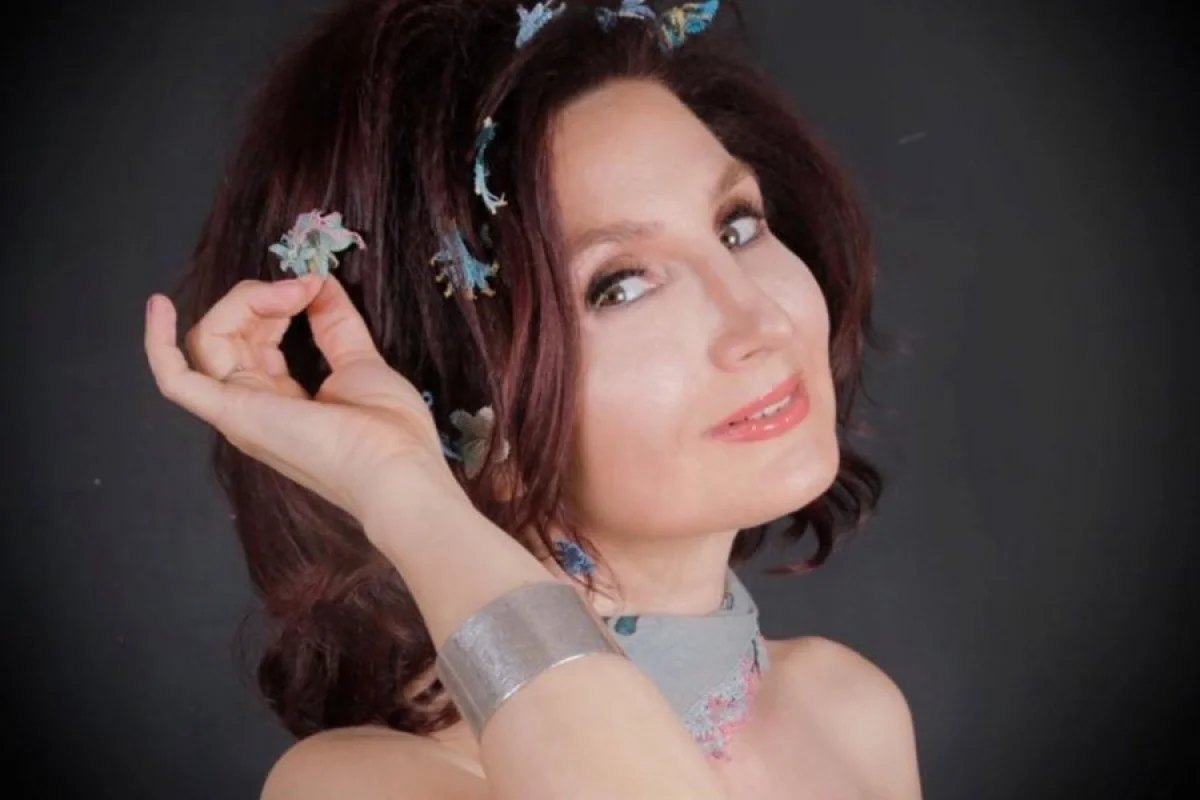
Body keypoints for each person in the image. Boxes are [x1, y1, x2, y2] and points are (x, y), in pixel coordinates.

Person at [143, 0, 922, 796]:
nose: (761, 319)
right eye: (620, 286)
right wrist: (402, 486)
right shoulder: (364, 786)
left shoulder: (849, 710)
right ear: (466, 402)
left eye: (737, 226)